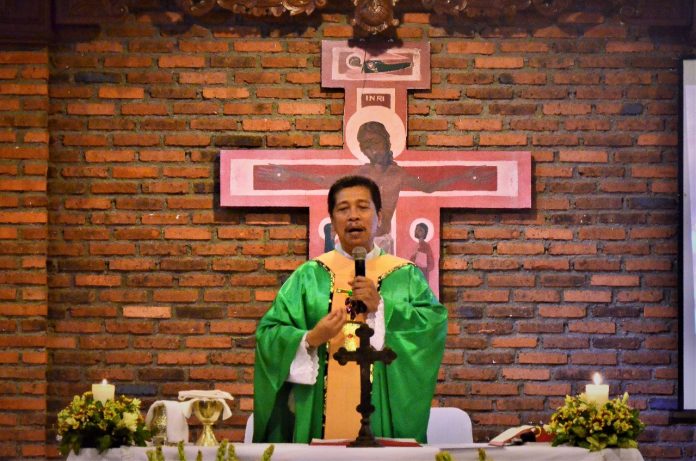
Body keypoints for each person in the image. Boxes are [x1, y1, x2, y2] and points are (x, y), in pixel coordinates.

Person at [253, 175, 447, 443]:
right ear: (332, 221)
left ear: (379, 216)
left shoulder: (405, 275)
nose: (353, 216)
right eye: (343, 209)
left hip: (381, 411)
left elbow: (432, 326)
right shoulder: (308, 276)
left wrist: (383, 307)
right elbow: (268, 335)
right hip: (319, 412)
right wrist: (311, 338)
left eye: (363, 207)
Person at [257, 120, 475, 254]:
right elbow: (324, 180)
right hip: (356, 243)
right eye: (365, 145)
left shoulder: (398, 174)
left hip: (382, 242)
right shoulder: (360, 173)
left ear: (386, 141)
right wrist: (291, 174)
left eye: (374, 143)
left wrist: (465, 175)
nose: (370, 150)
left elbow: (431, 186)